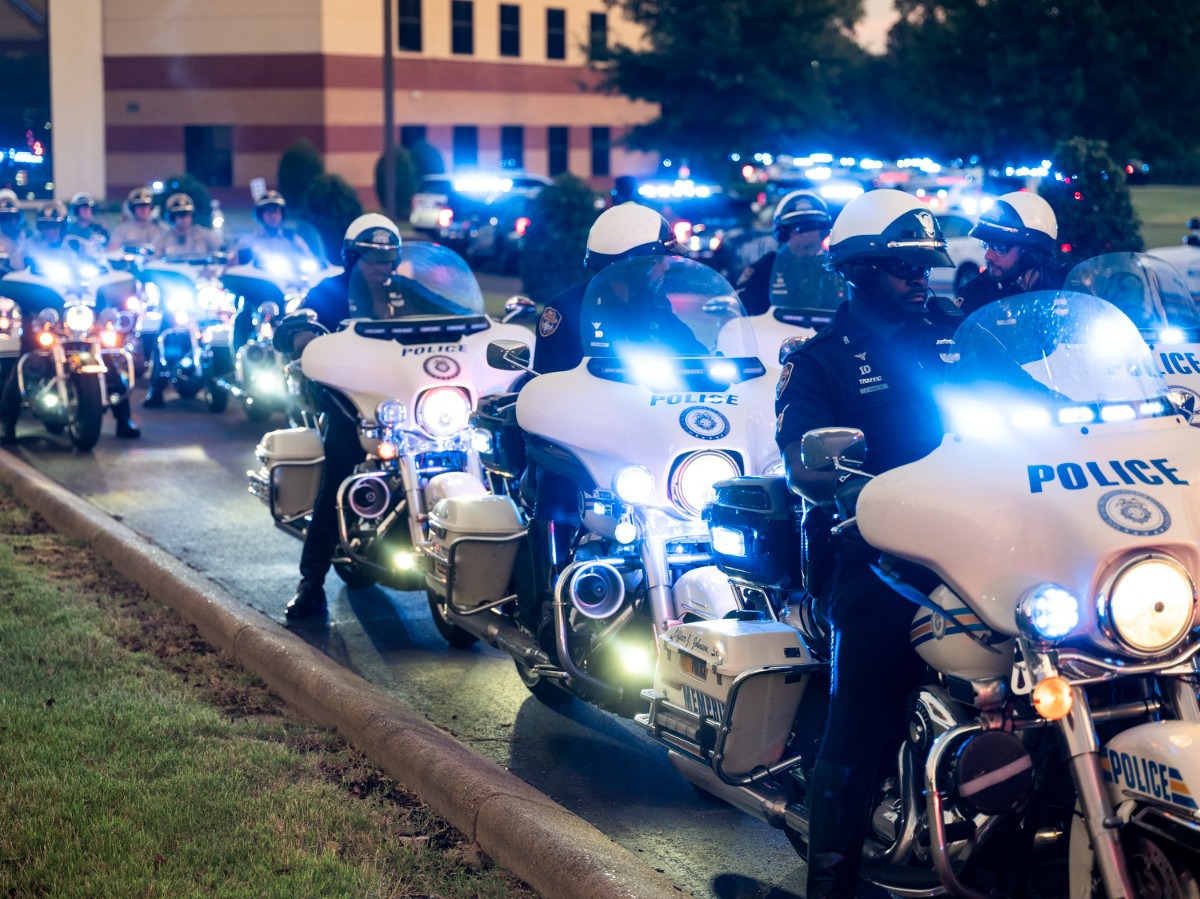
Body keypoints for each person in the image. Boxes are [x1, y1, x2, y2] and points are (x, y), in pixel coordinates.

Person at [774, 189, 954, 899]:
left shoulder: (955, 336)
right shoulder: (821, 361)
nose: (922, 276)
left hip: (976, 543)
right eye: (903, 266)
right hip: (876, 554)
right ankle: (833, 880)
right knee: (869, 703)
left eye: (924, 265)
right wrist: (830, 474)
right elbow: (802, 459)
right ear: (860, 269)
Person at [281, 213, 403, 620]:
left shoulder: (407, 293)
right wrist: (303, 337)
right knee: (338, 472)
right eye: (372, 259)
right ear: (352, 258)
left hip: (407, 403)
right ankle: (311, 583)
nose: (381, 268)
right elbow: (297, 327)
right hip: (350, 405)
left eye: (388, 260)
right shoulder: (329, 292)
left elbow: (453, 323)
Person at [1, 201, 142, 444]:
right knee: (26, 359)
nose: (50, 232)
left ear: (64, 226)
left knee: (106, 355)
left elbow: (100, 267)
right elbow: (14, 272)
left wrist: (103, 273)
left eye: (55, 226)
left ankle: (123, 418)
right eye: (46, 226)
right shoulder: (29, 247)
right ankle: (8, 421)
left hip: (75, 311)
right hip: (40, 314)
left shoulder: (77, 246)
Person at [533, 202, 678, 376]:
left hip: (646, 401)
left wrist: (713, 361)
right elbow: (547, 388)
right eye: (660, 260)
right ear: (638, 267)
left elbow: (689, 347)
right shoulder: (565, 312)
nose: (667, 266)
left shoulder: (655, 302)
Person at [956, 191, 1067, 316]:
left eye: (1000, 247)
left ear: (1030, 252)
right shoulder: (976, 293)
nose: (988, 256)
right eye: (986, 245)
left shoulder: (1065, 287)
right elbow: (955, 330)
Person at [735, 190, 836, 315]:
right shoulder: (767, 266)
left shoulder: (836, 267)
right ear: (784, 233)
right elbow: (742, 307)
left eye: (812, 226)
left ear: (822, 231)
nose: (805, 234)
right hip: (777, 333)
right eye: (798, 228)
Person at [237, 190, 314, 263]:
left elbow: (309, 257)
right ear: (260, 216)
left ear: (282, 214)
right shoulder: (249, 241)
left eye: (277, 212)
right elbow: (235, 266)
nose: (273, 216)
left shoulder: (293, 239)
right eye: (268, 212)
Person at [153, 193, 224, 259]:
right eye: (180, 214)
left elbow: (221, 250)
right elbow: (153, 261)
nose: (184, 218)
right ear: (172, 217)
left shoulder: (203, 235)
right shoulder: (163, 239)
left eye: (187, 213)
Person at [107, 187, 168, 252]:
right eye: (140, 206)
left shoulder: (161, 227)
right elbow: (112, 249)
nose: (143, 209)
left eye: (146, 206)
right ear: (132, 208)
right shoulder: (122, 229)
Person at [0, 189, 29, 272]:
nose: (12, 222)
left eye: (14, 217)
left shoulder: (28, 237)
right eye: (6, 217)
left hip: (25, 281)